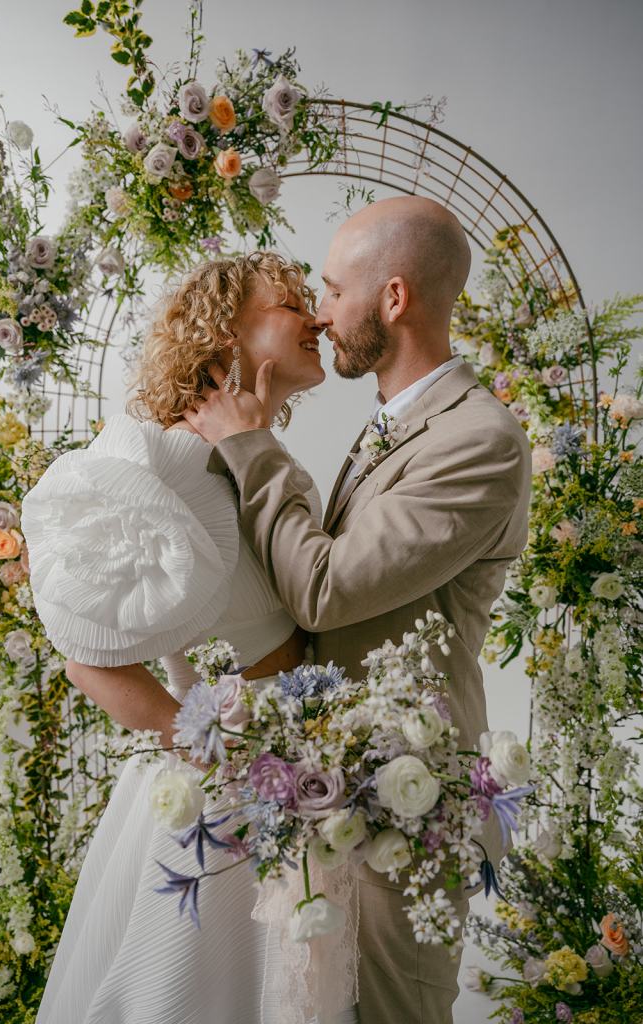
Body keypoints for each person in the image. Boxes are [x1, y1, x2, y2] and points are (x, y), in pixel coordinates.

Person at [184, 196, 533, 1024]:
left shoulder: (478, 439)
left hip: (406, 810)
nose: (321, 312)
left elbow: (328, 589)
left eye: (336, 290)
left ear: (395, 299)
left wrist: (249, 445)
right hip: (337, 791)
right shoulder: (393, 424)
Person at [23, 253, 359, 1024]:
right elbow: (86, 659)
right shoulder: (161, 461)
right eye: (290, 304)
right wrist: (208, 743)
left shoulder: (256, 457)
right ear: (226, 333)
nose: (313, 318)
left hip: (298, 777)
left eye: (316, 300)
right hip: (225, 793)